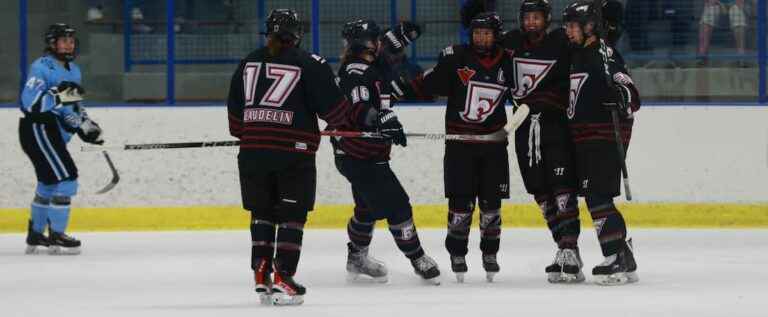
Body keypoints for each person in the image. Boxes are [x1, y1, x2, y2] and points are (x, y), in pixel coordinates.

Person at [225, 9, 350, 305]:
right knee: (292, 216)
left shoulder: (247, 63)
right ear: (297, 35)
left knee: (262, 212)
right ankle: (283, 276)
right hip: (293, 154)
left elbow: (235, 122)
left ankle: (261, 273)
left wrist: (257, 132)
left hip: (252, 152)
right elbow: (336, 113)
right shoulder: (310, 63)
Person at [332, 19, 441, 285]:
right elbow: (358, 110)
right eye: (376, 39)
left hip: (362, 153)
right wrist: (382, 119)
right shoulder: (356, 71)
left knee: (366, 208)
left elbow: (389, 46)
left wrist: (402, 36)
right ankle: (417, 258)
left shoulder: (372, 61)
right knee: (398, 205)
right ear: (367, 44)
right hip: (359, 154)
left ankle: (356, 256)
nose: (381, 42)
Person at [418, 11, 512, 283]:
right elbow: (430, 86)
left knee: (491, 205)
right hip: (460, 146)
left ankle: (490, 253)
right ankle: (457, 253)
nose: (481, 38)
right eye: (476, 33)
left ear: (496, 35)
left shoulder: (508, 61)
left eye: (486, 33)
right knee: (461, 203)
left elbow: (524, 94)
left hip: (494, 146)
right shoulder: (456, 57)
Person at [501, 0, 583, 284]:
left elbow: (588, 51)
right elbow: (483, 55)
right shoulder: (511, 42)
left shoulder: (562, 41)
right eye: (527, 17)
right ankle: (564, 247)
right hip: (525, 128)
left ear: (547, 19)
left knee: (562, 188)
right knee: (540, 191)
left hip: (556, 127)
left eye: (537, 18)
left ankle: (570, 248)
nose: (531, 22)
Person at [562, 0, 641, 286]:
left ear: (590, 27)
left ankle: (616, 256)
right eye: (567, 26)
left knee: (598, 196)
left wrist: (621, 97)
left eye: (573, 26)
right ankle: (622, 253)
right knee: (596, 197)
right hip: (585, 137)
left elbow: (632, 93)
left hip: (604, 135)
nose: (568, 31)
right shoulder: (577, 54)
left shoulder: (604, 54)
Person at [19, 23, 104, 255]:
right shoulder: (41, 67)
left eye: (72, 40)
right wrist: (57, 95)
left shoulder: (74, 70)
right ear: (52, 43)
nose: (69, 44)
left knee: (48, 183)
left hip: (51, 133)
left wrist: (84, 125)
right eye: (64, 40)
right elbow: (30, 105)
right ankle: (57, 234)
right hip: (39, 129)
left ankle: (36, 233)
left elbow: (73, 107)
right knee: (67, 177)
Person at [697, 0, 749, 67]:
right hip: (715, 8)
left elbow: (739, 5)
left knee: (740, 40)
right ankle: (702, 58)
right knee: (703, 38)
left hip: (733, 9)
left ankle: (742, 61)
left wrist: (722, 5)